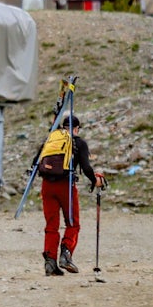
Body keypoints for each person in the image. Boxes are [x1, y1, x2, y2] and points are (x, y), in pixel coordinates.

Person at [34, 115, 105, 277]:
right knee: (72, 223)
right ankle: (66, 255)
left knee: (51, 225)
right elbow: (86, 167)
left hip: (47, 186)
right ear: (76, 128)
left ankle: (50, 262)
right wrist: (95, 180)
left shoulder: (50, 140)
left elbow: (35, 163)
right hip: (66, 186)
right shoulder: (78, 143)